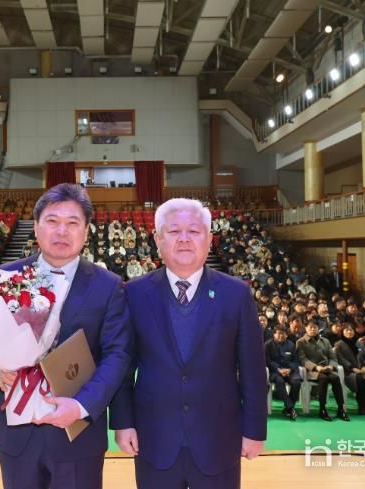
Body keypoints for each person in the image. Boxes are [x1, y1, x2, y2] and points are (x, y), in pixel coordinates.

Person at [112, 198, 267, 489]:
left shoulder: (236, 294)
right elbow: (122, 366)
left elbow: (253, 370)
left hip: (219, 439)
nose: (184, 239)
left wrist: (255, 429)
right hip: (153, 438)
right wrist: (123, 422)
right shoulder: (133, 293)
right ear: (157, 239)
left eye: (194, 231)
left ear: (209, 239)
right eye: (174, 231)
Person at [0, 184, 131, 489]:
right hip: (18, 435)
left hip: (78, 435)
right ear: (36, 226)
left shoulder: (109, 285)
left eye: (72, 223)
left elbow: (117, 355)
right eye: (52, 221)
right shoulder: (6, 277)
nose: (62, 231)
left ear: (86, 230)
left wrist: (81, 406)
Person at [296, 320, 350, 422]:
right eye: (310, 327)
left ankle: (341, 408)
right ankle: (322, 409)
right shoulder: (301, 342)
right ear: (306, 328)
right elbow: (302, 359)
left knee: (335, 378)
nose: (313, 329)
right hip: (312, 371)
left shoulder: (325, 341)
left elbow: (333, 357)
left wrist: (331, 366)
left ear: (318, 329)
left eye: (315, 327)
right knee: (323, 379)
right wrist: (316, 367)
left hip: (327, 368)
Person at [334, 324, 365, 415]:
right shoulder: (339, 344)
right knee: (360, 380)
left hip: (362, 369)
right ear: (342, 332)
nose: (349, 332)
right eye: (347, 330)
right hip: (348, 372)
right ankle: (362, 405)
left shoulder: (359, 343)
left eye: (351, 330)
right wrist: (352, 368)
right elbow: (340, 359)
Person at [265, 326, 301, 421]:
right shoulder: (268, 345)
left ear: (286, 335)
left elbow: (296, 361)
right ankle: (290, 407)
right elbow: (267, 361)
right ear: (274, 334)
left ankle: (288, 408)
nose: (281, 335)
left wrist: (289, 369)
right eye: (279, 333)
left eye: (283, 333)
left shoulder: (291, 345)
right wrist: (278, 370)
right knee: (280, 381)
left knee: (297, 382)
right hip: (275, 371)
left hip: (289, 371)